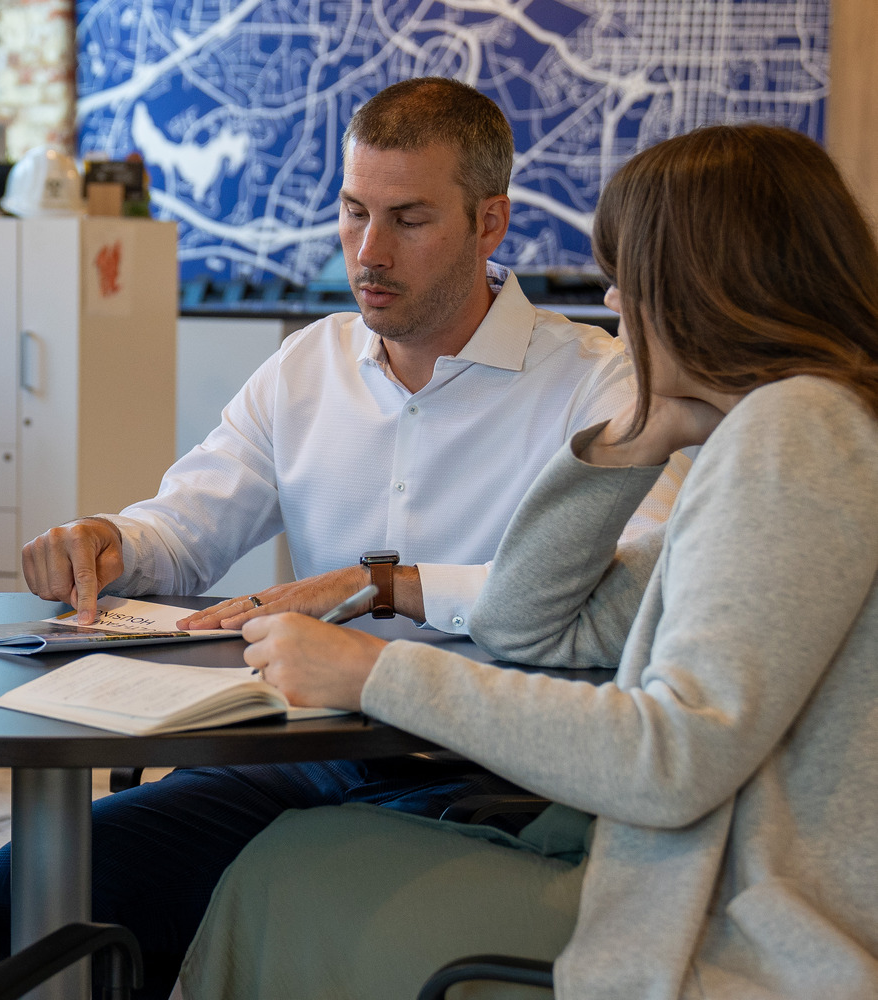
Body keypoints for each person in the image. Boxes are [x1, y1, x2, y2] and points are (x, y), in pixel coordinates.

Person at [0, 77, 687, 995]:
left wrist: (373, 580)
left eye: (409, 219)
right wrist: (113, 540)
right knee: (30, 887)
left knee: (243, 890)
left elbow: (639, 587)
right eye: (353, 212)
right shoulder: (309, 362)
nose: (369, 251)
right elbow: (190, 523)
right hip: (301, 749)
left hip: (488, 768)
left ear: (489, 223)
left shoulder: (597, 384)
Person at [178, 123, 878, 999]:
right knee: (290, 855)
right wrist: (627, 442)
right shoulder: (810, 428)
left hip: (737, 921)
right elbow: (529, 620)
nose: (617, 305)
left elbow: (671, 758)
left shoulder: (795, 433)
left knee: (283, 873)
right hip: (691, 876)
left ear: (700, 283)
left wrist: (375, 672)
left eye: (629, 276)